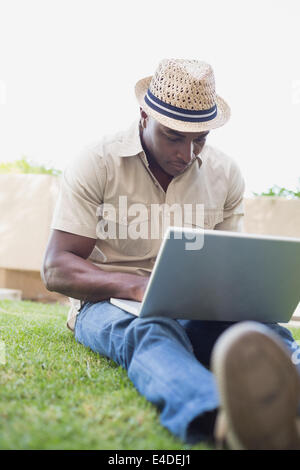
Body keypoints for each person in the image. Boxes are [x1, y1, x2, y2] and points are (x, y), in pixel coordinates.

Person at [41, 58, 300, 449]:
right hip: (107, 304)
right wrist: (135, 286)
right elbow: (56, 267)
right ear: (144, 115)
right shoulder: (97, 161)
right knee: (150, 330)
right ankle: (222, 422)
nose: (187, 153)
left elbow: (229, 262)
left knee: (258, 333)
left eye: (200, 139)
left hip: (196, 305)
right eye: (173, 137)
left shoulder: (225, 173)